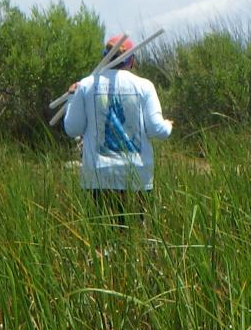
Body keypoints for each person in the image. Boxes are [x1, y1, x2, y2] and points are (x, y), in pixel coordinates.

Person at [62, 35, 174, 227]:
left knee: (102, 239)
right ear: (132, 60)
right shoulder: (144, 86)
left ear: (104, 58)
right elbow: (157, 130)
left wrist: (72, 98)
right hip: (137, 177)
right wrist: (168, 125)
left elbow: (72, 129)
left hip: (99, 176)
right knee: (136, 235)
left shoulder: (86, 85)